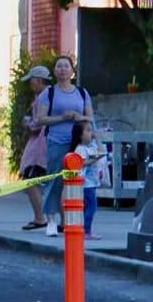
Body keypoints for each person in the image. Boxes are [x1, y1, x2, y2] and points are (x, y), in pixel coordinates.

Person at [36, 55, 92, 237]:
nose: (62, 69)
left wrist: (78, 117)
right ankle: (51, 220)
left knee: (76, 182)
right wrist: (62, 117)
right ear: (54, 71)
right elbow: (41, 119)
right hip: (56, 141)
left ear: (72, 71)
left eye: (66, 66)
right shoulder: (49, 93)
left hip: (77, 143)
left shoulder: (82, 93)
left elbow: (90, 117)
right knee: (54, 181)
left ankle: (70, 220)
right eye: (58, 66)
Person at [19, 66, 52, 230]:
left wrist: (27, 123)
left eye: (32, 81)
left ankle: (40, 218)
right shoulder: (55, 94)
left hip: (40, 145)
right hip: (51, 142)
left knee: (30, 180)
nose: (30, 84)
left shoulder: (42, 98)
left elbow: (37, 124)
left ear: (39, 80)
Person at [72, 119, 108, 240]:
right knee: (92, 207)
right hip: (85, 183)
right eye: (88, 130)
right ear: (80, 135)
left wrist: (98, 139)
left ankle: (83, 229)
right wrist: (94, 159)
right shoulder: (80, 149)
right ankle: (86, 230)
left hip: (91, 182)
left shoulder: (90, 146)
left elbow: (102, 151)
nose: (91, 132)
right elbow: (81, 163)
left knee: (88, 207)